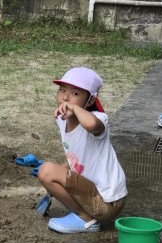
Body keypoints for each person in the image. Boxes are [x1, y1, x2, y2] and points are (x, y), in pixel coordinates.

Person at [37, 67, 127, 233]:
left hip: (108, 201)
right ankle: (84, 214)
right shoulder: (62, 121)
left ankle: (86, 219)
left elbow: (92, 125)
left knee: (46, 170)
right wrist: (52, 185)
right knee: (49, 172)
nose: (65, 97)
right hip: (95, 194)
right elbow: (76, 157)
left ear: (91, 100)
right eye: (62, 90)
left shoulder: (99, 118)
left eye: (75, 93)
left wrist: (75, 108)